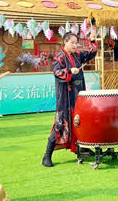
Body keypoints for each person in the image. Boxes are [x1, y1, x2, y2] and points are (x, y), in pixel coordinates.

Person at [42, 26, 98, 167]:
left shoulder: (77, 55)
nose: (74, 45)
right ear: (65, 42)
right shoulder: (59, 57)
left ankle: (83, 149)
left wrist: (92, 40)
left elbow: (91, 53)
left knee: (79, 121)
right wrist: (69, 71)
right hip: (66, 97)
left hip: (78, 94)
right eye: (72, 42)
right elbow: (57, 72)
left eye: (76, 43)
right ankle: (47, 155)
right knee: (60, 124)